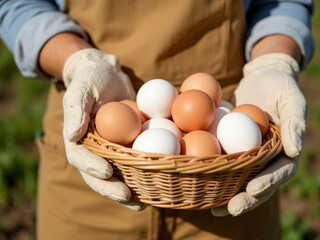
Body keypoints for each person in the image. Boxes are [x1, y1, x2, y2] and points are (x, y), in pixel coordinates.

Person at [0, 0, 315, 239]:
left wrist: (273, 62)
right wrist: (77, 62)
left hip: (227, 175)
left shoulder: (223, 124)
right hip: (94, 130)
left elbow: (280, 3)